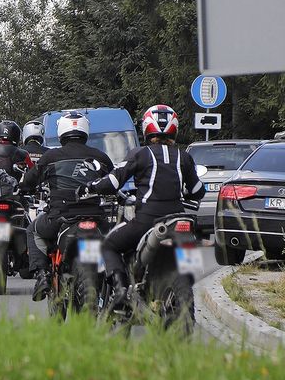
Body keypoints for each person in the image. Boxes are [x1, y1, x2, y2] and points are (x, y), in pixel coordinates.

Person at [85, 104, 204, 304]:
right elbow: (197, 191)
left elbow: (112, 182)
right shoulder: (184, 157)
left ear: (146, 128)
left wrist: (91, 187)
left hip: (147, 219)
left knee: (108, 245)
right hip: (179, 221)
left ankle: (121, 289)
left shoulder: (139, 154)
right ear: (175, 127)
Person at [20, 111, 114, 301]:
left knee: (32, 230)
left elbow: (28, 181)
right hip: (96, 217)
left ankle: (42, 275)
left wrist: (22, 187)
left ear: (61, 131)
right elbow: (114, 182)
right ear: (85, 130)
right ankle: (118, 284)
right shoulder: (101, 157)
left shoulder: (51, 157)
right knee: (114, 244)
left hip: (60, 217)